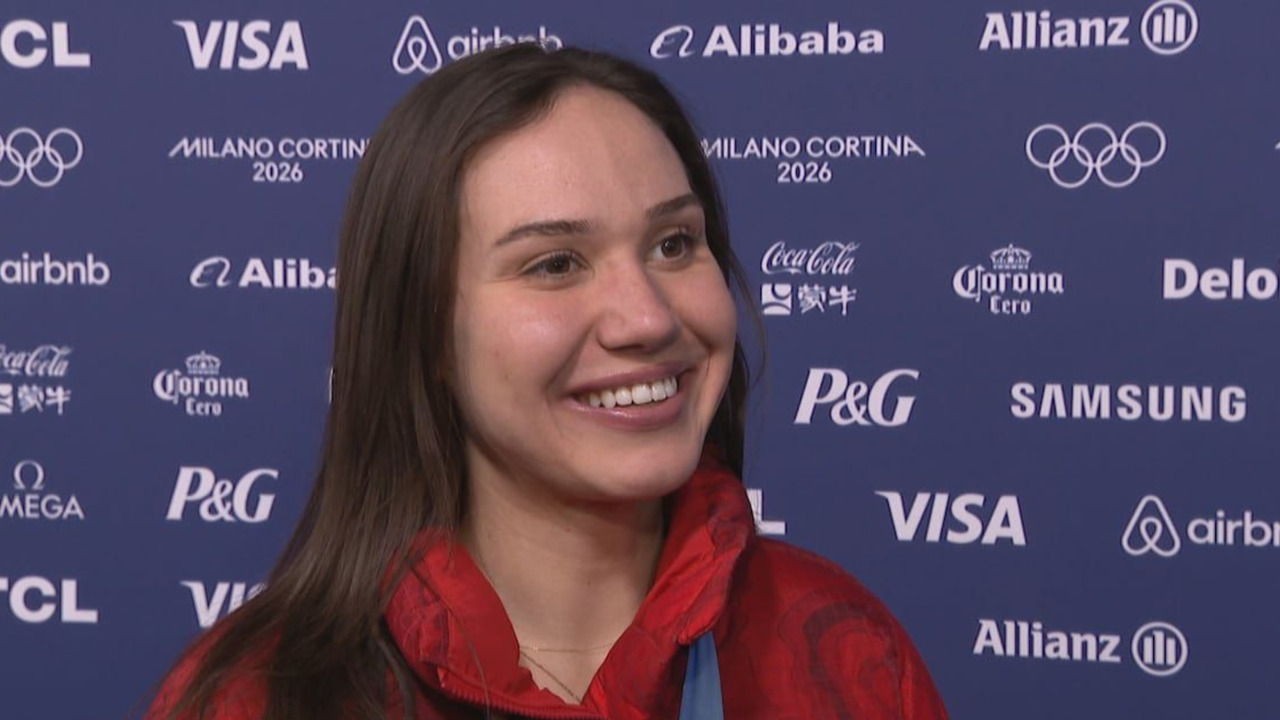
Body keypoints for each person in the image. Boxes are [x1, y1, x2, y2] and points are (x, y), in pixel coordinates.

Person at [146, 44, 949, 720]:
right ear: (422, 329)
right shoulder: (255, 696)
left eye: (674, 244)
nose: (646, 318)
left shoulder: (845, 658)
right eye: (556, 263)